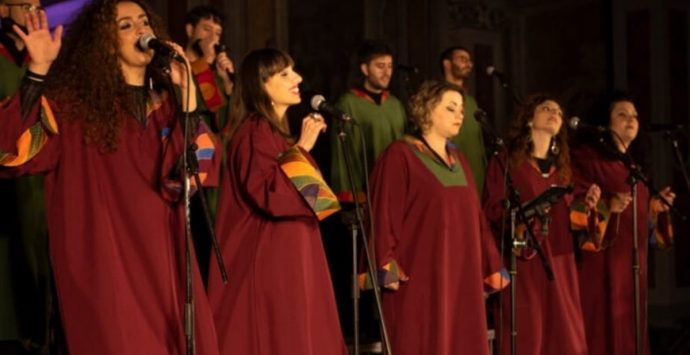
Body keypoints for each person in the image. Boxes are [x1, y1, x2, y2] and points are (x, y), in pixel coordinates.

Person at [0, 1, 221, 354]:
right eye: (125, 25)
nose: (140, 30)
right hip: (107, 264)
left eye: (143, 21)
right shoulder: (72, 110)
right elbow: (11, 152)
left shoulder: (165, 106)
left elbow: (195, 171)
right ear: (103, 43)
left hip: (164, 259)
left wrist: (189, 99)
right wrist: (38, 71)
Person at [206, 48, 347, 355]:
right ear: (261, 85)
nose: (297, 78)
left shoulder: (276, 135)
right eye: (284, 74)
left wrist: (298, 149)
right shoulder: (255, 131)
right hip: (271, 258)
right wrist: (303, 147)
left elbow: (317, 200)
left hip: (296, 254)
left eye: (294, 70)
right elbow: (271, 195)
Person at [366, 80, 508, 354]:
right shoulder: (400, 155)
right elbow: (384, 213)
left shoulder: (459, 159)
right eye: (451, 108)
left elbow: (476, 219)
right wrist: (385, 265)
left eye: (462, 111)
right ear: (428, 111)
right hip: (420, 278)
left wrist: (489, 265)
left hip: (461, 278)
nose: (460, 115)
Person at [483, 95, 598, 355]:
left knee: (565, 336)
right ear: (528, 120)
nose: (554, 113)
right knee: (527, 336)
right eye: (546, 108)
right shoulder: (506, 163)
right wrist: (523, 215)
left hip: (560, 265)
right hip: (523, 263)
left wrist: (586, 206)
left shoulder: (566, 171)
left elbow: (576, 223)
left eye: (558, 111)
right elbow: (492, 208)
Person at [570, 92, 675, 355]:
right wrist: (606, 205)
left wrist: (653, 210)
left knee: (631, 327)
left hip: (631, 266)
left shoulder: (635, 169)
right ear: (605, 124)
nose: (631, 120)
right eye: (622, 114)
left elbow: (642, 226)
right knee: (602, 329)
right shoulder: (587, 159)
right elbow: (574, 206)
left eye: (635, 116)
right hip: (600, 266)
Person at [0, 1, 52, 352]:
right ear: (4, 9)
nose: (35, 10)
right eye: (25, 4)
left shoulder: (50, 56)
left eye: (38, 4)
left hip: (40, 184)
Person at [329, 39, 407, 203]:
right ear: (365, 69)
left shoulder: (395, 104)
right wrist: (352, 194)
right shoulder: (349, 103)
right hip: (366, 193)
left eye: (390, 66)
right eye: (380, 66)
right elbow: (344, 154)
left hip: (396, 190)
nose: (387, 72)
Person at [440, 45, 487, 194]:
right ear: (447, 64)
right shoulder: (437, 98)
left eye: (469, 60)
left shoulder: (471, 102)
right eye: (462, 59)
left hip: (476, 174)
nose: (469, 64)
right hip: (450, 173)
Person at [183, 5, 233, 133]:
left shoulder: (217, 73)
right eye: (207, 29)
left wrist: (228, 83)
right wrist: (205, 61)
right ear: (190, 30)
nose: (213, 38)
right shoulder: (176, 67)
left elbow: (227, 121)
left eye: (217, 33)